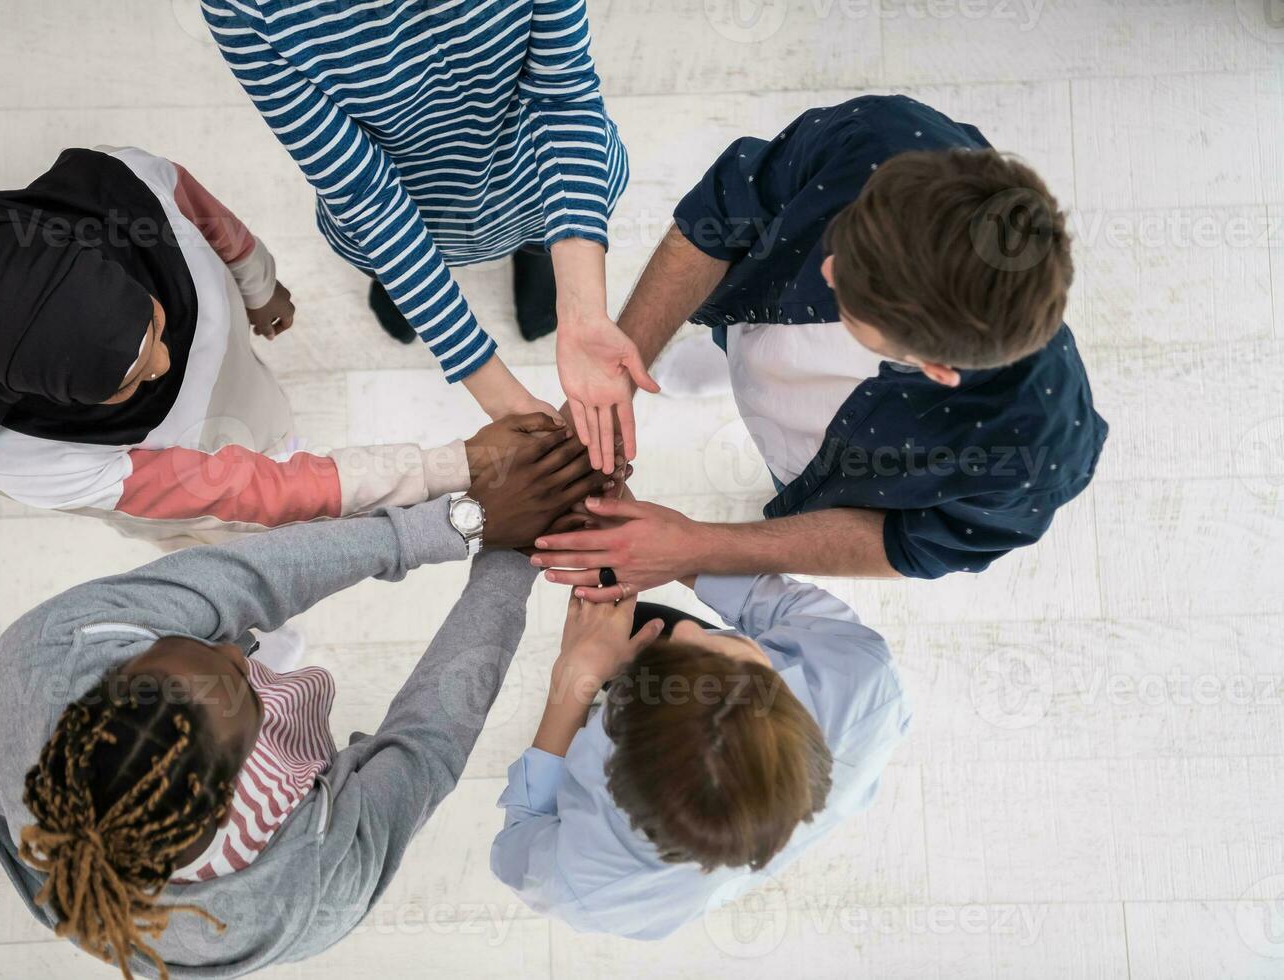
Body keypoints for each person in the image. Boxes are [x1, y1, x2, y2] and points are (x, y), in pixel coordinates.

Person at [0, 418, 602, 979]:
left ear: (103, 687)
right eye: (245, 688)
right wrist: (514, 554)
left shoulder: (53, 646)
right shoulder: (314, 891)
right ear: (230, 797)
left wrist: (462, 521)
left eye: (191, 643)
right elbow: (424, 744)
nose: (240, 649)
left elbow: (251, 577)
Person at [529, 95, 1109, 598]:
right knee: (741, 349)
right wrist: (623, 367)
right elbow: (722, 213)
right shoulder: (883, 136)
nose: (825, 266)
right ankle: (728, 357)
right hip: (753, 320)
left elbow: (910, 545)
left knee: (786, 446)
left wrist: (699, 546)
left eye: (854, 299)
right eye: (846, 239)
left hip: (822, 461)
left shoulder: (1032, 460)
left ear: (934, 368)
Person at [0, 145, 577, 547]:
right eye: (121, 382)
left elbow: (210, 218)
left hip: (247, 399)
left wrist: (257, 282)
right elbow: (258, 491)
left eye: (150, 325)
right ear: (29, 389)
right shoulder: (39, 462)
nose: (163, 364)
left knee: (266, 425)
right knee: (234, 537)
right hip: (201, 496)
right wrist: (459, 463)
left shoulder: (127, 187)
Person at [202, 0, 658, 474]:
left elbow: (562, 96)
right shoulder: (244, 8)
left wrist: (582, 307)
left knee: (543, 243)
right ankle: (402, 287)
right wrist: (500, 396)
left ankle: (537, 260)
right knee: (390, 270)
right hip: (399, 218)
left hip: (546, 189)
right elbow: (365, 194)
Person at [490, 558, 910, 937]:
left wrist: (573, 681)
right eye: (733, 648)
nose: (689, 628)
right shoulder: (865, 683)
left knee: (641, 625)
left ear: (613, 764)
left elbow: (520, 834)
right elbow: (796, 613)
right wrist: (674, 553)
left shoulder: (583, 888)